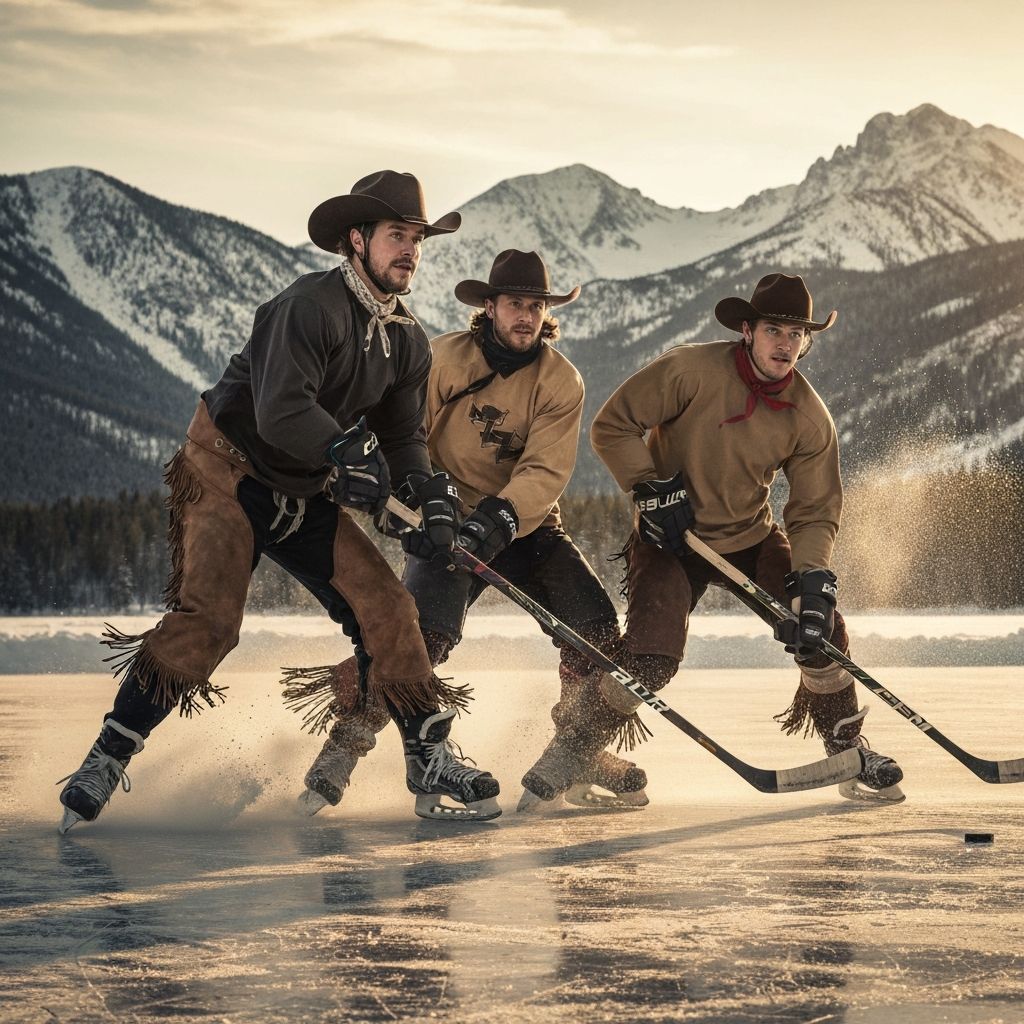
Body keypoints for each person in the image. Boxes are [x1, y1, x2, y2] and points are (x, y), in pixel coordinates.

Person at [57, 170, 501, 832]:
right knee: (210, 623)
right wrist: (347, 456)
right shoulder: (307, 308)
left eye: (416, 239)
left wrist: (422, 492)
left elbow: (403, 435)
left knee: (388, 607)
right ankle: (109, 753)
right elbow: (281, 409)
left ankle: (429, 755)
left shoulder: (406, 338)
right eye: (395, 236)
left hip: (303, 489)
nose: (409, 251)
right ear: (356, 240)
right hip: (227, 476)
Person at [284, 250, 649, 815]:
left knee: (594, 626)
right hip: (444, 518)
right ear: (490, 306)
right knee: (422, 637)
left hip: (525, 525)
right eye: (514, 304)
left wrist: (501, 516)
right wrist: (423, 501)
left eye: (535, 306)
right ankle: (343, 750)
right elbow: (408, 435)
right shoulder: (441, 359)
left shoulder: (560, 380)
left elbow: (544, 470)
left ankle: (579, 751)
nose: (525, 316)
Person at [589, 273, 905, 802]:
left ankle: (846, 747)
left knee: (820, 631)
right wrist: (651, 490)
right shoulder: (689, 370)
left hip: (750, 536)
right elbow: (612, 425)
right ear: (747, 330)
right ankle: (575, 746)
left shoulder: (809, 416)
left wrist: (812, 580)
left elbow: (814, 510)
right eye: (774, 330)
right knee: (650, 656)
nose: (785, 344)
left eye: (796, 334)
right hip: (671, 536)